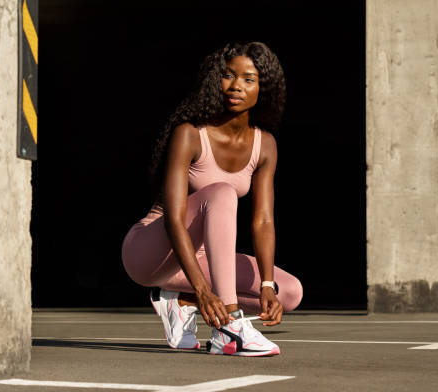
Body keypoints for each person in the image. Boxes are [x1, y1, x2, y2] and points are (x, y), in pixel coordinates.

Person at [121, 41, 303, 356]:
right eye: (228, 76)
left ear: (264, 88)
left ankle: (180, 301)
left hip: (200, 261)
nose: (236, 86)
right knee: (221, 191)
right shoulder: (190, 134)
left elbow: (263, 220)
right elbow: (176, 220)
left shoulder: (266, 146)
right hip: (152, 253)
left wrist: (266, 287)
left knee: (288, 291)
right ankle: (229, 326)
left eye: (249, 79)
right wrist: (205, 291)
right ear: (215, 80)